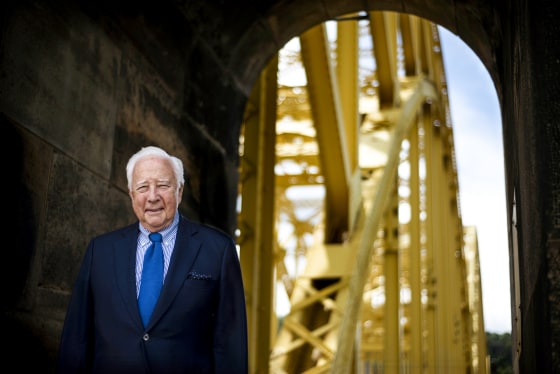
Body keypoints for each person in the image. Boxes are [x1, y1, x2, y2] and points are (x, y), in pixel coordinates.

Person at [57, 145, 248, 373]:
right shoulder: (100, 251)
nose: (153, 196)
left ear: (179, 191)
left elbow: (230, 344)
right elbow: (76, 339)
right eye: (143, 187)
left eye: (163, 185)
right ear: (132, 195)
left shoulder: (218, 249)